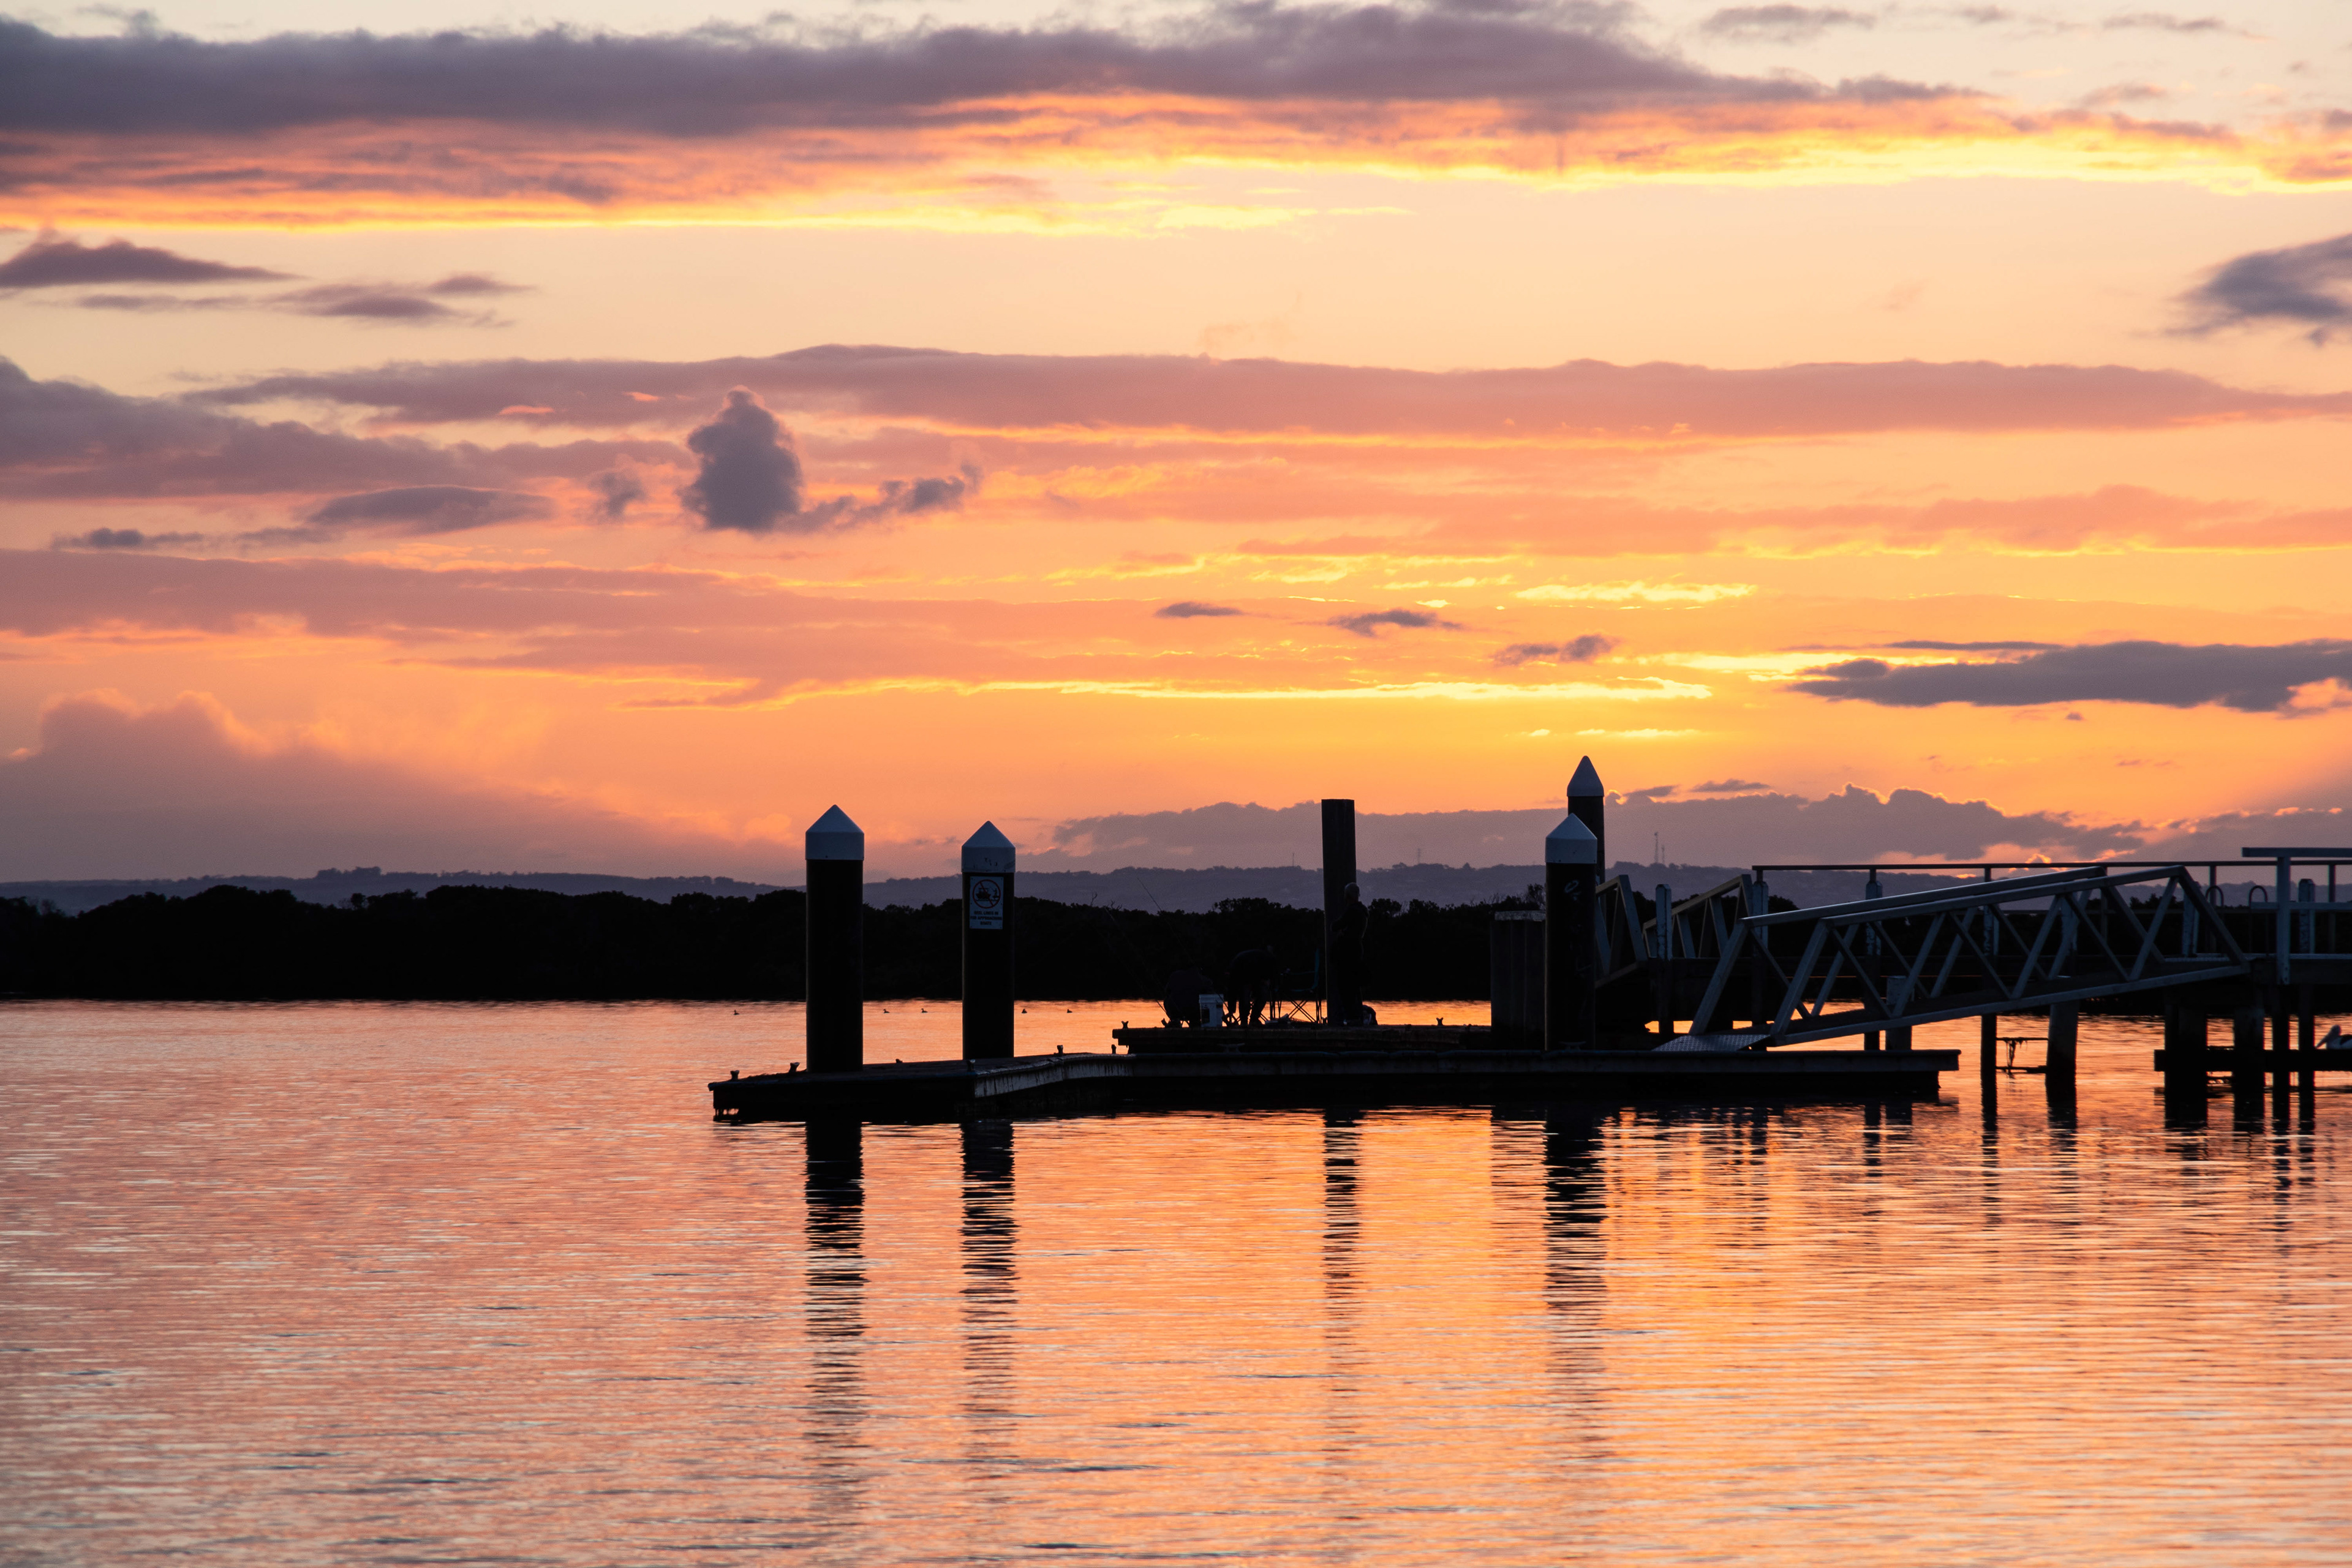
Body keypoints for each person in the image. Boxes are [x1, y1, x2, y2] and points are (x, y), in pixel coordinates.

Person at [1329, 882, 1368, 1026]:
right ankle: (1357, 1016)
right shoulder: (1363, 912)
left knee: (1346, 986)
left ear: (1348, 896)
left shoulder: (1352, 911)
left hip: (1348, 954)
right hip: (1357, 951)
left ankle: (1352, 1017)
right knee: (1354, 986)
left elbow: (1336, 926)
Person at [1224, 947, 1282, 1026]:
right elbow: (1232, 990)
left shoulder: (1266, 961)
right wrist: (1231, 1008)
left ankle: (1253, 1020)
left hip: (1252, 971)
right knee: (1245, 995)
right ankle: (1245, 1021)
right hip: (1243, 970)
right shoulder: (1237, 969)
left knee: (1262, 994)